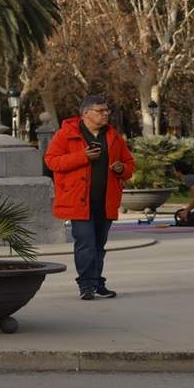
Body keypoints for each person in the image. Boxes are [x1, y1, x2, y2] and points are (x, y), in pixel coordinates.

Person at [44, 96, 137, 298]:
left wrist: (122, 169)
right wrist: (82, 157)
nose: (106, 114)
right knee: (85, 243)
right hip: (78, 201)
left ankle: (96, 282)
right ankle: (86, 284)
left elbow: (130, 165)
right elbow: (51, 161)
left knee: (98, 245)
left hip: (106, 201)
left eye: (107, 110)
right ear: (86, 113)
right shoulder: (66, 134)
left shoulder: (113, 136)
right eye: (100, 110)